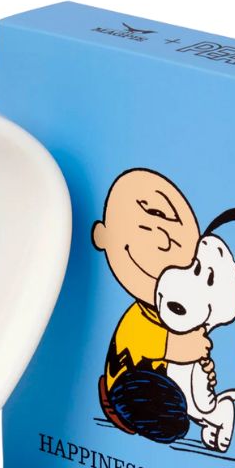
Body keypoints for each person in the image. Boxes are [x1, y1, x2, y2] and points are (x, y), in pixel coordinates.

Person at [91, 169, 213, 443]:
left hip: (156, 379)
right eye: (149, 219)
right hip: (124, 387)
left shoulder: (165, 310)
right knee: (151, 398)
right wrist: (182, 347)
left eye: (176, 232)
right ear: (101, 236)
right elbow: (146, 342)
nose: (162, 241)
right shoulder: (138, 317)